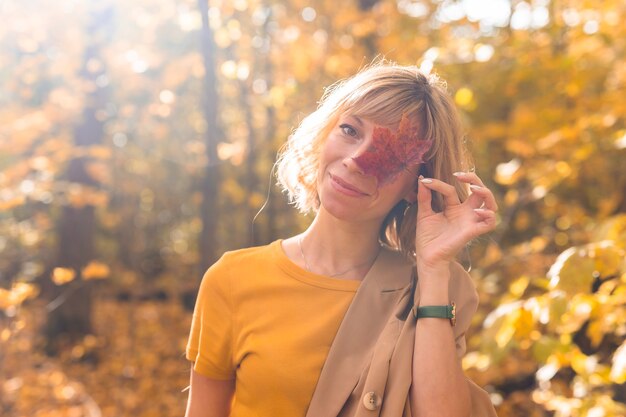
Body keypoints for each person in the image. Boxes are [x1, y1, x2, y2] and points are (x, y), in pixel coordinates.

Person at [184, 61, 498, 417]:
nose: (357, 160)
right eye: (350, 130)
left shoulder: (437, 284)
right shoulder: (232, 279)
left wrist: (434, 268)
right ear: (324, 133)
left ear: (417, 186)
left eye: (390, 153)